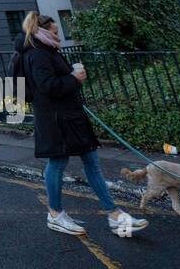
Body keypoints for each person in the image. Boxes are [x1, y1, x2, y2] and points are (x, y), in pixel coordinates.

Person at [14, 12, 147, 237]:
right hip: (56, 120)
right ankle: (55, 214)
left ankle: (114, 215)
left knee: (91, 161)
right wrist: (74, 78)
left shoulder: (47, 50)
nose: (59, 36)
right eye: (55, 32)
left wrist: (73, 80)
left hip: (71, 116)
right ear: (43, 31)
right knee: (57, 163)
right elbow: (48, 86)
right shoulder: (38, 55)